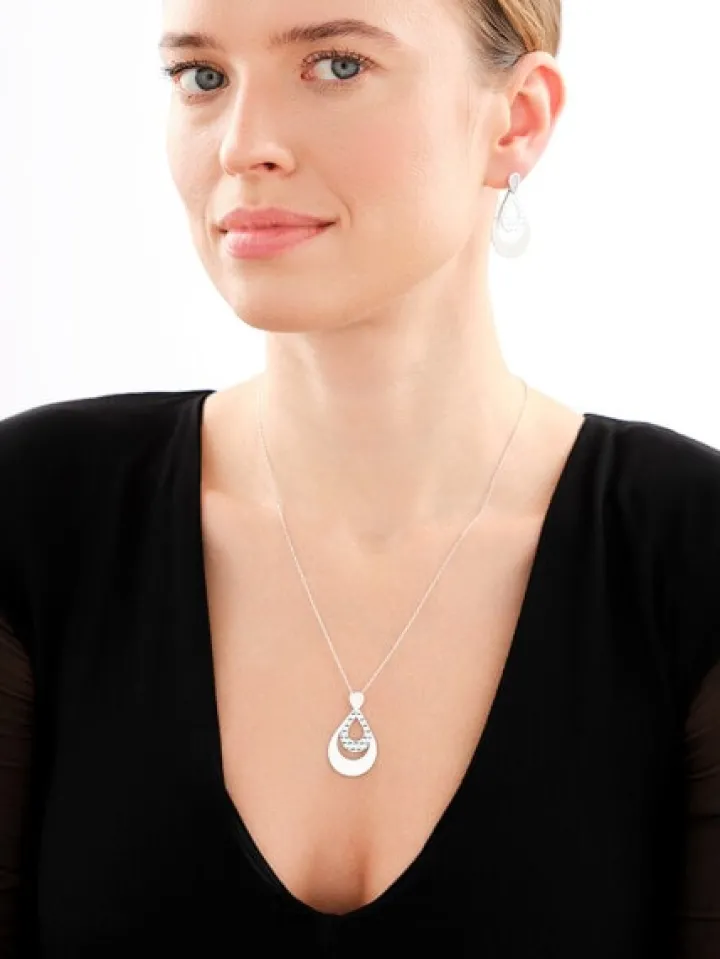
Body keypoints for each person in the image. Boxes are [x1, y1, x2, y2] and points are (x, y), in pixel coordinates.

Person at [1, 0, 718, 955]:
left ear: (517, 119)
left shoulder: (691, 549)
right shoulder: (36, 514)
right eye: (203, 77)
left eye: (337, 66)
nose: (243, 146)